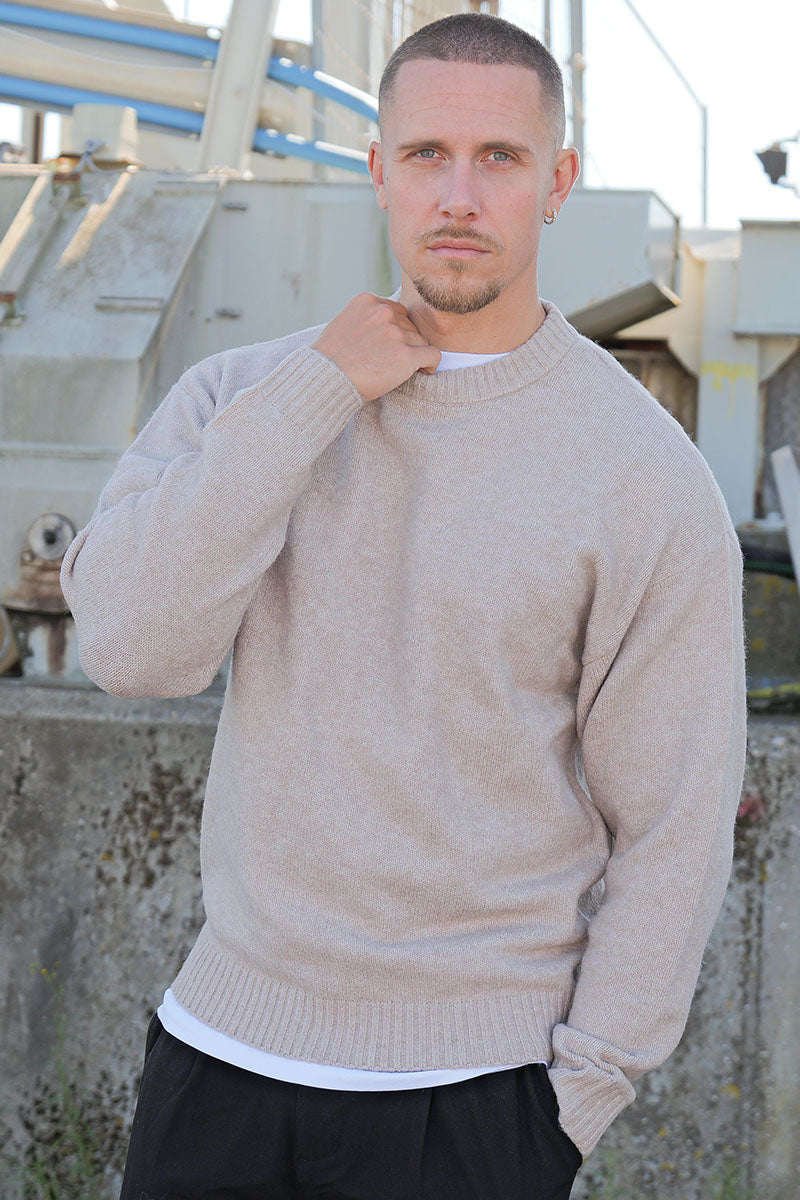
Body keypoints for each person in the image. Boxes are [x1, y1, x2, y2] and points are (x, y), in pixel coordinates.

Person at [61, 12, 747, 1200]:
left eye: (499, 158)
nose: (458, 196)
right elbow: (130, 650)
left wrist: (575, 1101)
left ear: (556, 183)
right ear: (377, 170)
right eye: (426, 154)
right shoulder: (242, 395)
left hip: (477, 1102)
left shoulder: (643, 475)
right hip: (217, 1070)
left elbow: (673, 823)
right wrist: (320, 389)